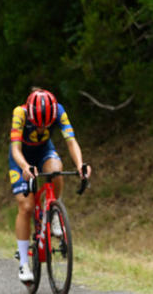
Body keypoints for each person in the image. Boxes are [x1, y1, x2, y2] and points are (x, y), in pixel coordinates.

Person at [8, 88, 91, 282]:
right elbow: (15, 148)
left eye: (45, 126)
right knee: (26, 206)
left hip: (44, 151)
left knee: (56, 170)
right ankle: (23, 264)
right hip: (21, 157)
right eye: (37, 125)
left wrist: (80, 166)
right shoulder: (19, 113)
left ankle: (53, 212)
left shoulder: (59, 110)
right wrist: (25, 166)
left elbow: (71, 141)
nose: (40, 129)